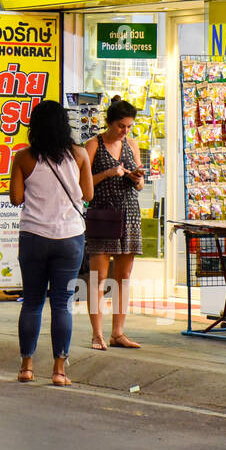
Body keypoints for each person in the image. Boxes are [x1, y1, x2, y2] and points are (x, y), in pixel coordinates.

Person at [9, 100, 95, 386]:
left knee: (32, 302)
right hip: (69, 238)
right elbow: (88, 195)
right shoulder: (80, 154)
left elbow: (16, 198)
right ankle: (59, 370)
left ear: (34, 127)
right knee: (62, 304)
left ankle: (26, 366)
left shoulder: (23, 157)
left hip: (33, 237)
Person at [84, 98, 144, 351]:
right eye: (121, 126)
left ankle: (118, 332)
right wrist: (108, 173)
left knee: (124, 277)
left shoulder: (132, 144)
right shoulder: (93, 145)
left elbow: (140, 185)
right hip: (103, 214)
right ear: (109, 122)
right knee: (99, 277)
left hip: (129, 214)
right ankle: (97, 334)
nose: (125, 131)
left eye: (129, 126)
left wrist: (136, 178)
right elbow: (82, 185)